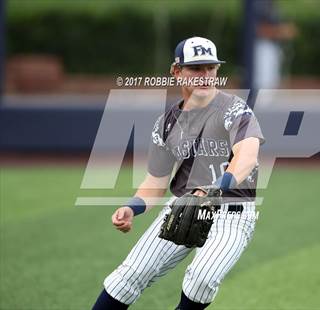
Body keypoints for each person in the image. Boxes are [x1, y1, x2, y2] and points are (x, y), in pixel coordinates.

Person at [92, 36, 265, 310]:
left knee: (201, 278)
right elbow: (155, 183)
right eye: (196, 68)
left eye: (211, 67)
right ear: (176, 71)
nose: (205, 75)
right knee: (130, 275)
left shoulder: (235, 110)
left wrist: (211, 190)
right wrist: (131, 207)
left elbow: (247, 157)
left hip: (233, 212)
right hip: (183, 207)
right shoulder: (167, 123)